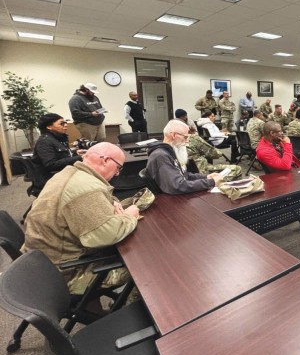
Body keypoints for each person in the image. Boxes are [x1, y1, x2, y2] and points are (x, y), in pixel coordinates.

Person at [23, 142, 139, 295]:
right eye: (118, 167)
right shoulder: (87, 189)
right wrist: (130, 216)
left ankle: (93, 310)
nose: (118, 173)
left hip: (40, 263)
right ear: (105, 160)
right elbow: (105, 236)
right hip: (65, 274)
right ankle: (134, 314)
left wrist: (111, 204)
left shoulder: (68, 173)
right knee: (140, 266)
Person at [146, 119, 222, 194]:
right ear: (174, 135)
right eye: (185, 137)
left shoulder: (169, 151)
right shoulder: (161, 156)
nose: (187, 141)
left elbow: (184, 175)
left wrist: (206, 177)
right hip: (173, 201)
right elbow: (177, 186)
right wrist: (210, 182)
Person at [31, 113, 83, 195]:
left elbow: (62, 155)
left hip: (61, 174)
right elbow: (51, 165)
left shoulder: (58, 138)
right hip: (51, 179)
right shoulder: (44, 142)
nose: (66, 125)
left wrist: (75, 153)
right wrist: (80, 158)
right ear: (49, 127)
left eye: (65, 122)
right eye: (61, 123)